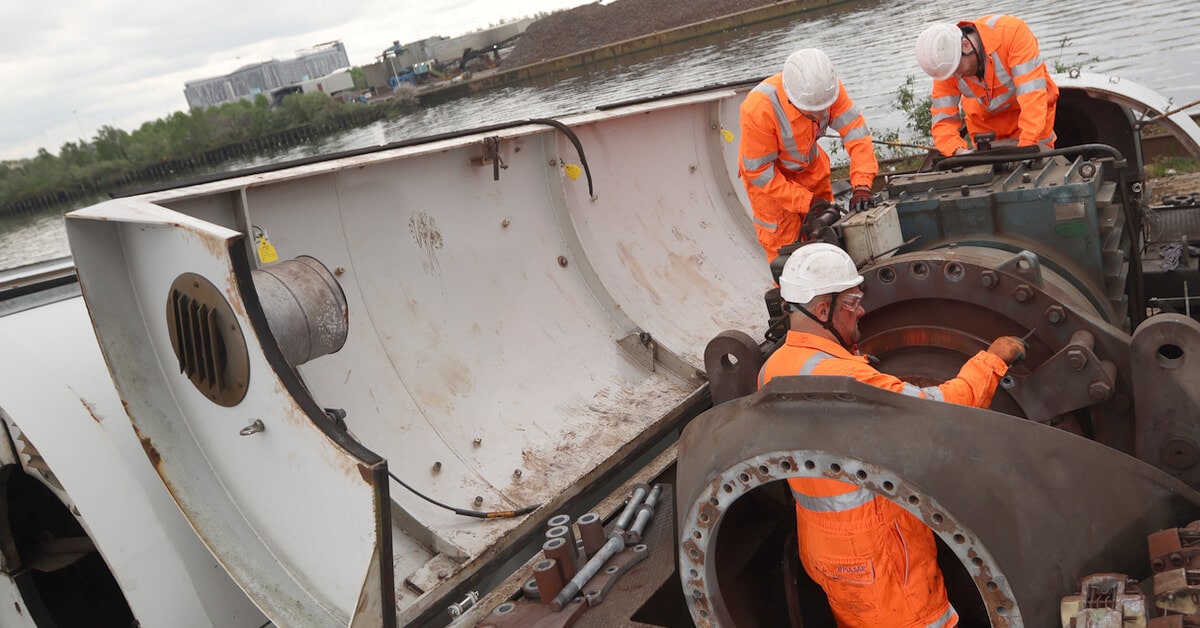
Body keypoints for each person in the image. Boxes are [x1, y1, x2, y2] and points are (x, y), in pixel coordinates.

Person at [757, 243, 1027, 627]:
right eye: (851, 302)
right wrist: (994, 359)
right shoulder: (849, 381)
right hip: (879, 557)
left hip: (825, 550)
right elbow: (937, 410)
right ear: (822, 310)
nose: (861, 310)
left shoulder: (772, 370)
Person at [739, 49, 879, 262]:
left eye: (824, 109)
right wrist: (805, 201)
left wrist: (862, 185)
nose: (821, 115)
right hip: (773, 190)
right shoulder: (759, 109)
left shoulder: (827, 89)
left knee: (829, 239)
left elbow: (856, 135)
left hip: (812, 171)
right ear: (792, 99)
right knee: (790, 260)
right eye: (811, 112)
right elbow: (758, 173)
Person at [915, 16, 1059, 157]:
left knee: (1041, 169)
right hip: (985, 131)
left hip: (1031, 122)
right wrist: (957, 151)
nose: (956, 77)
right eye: (951, 73)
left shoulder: (1011, 33)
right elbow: (943, 121)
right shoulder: (947, 65)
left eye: (957, 69)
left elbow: (1032, 96)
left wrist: (1028, 144)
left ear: (966, 45)